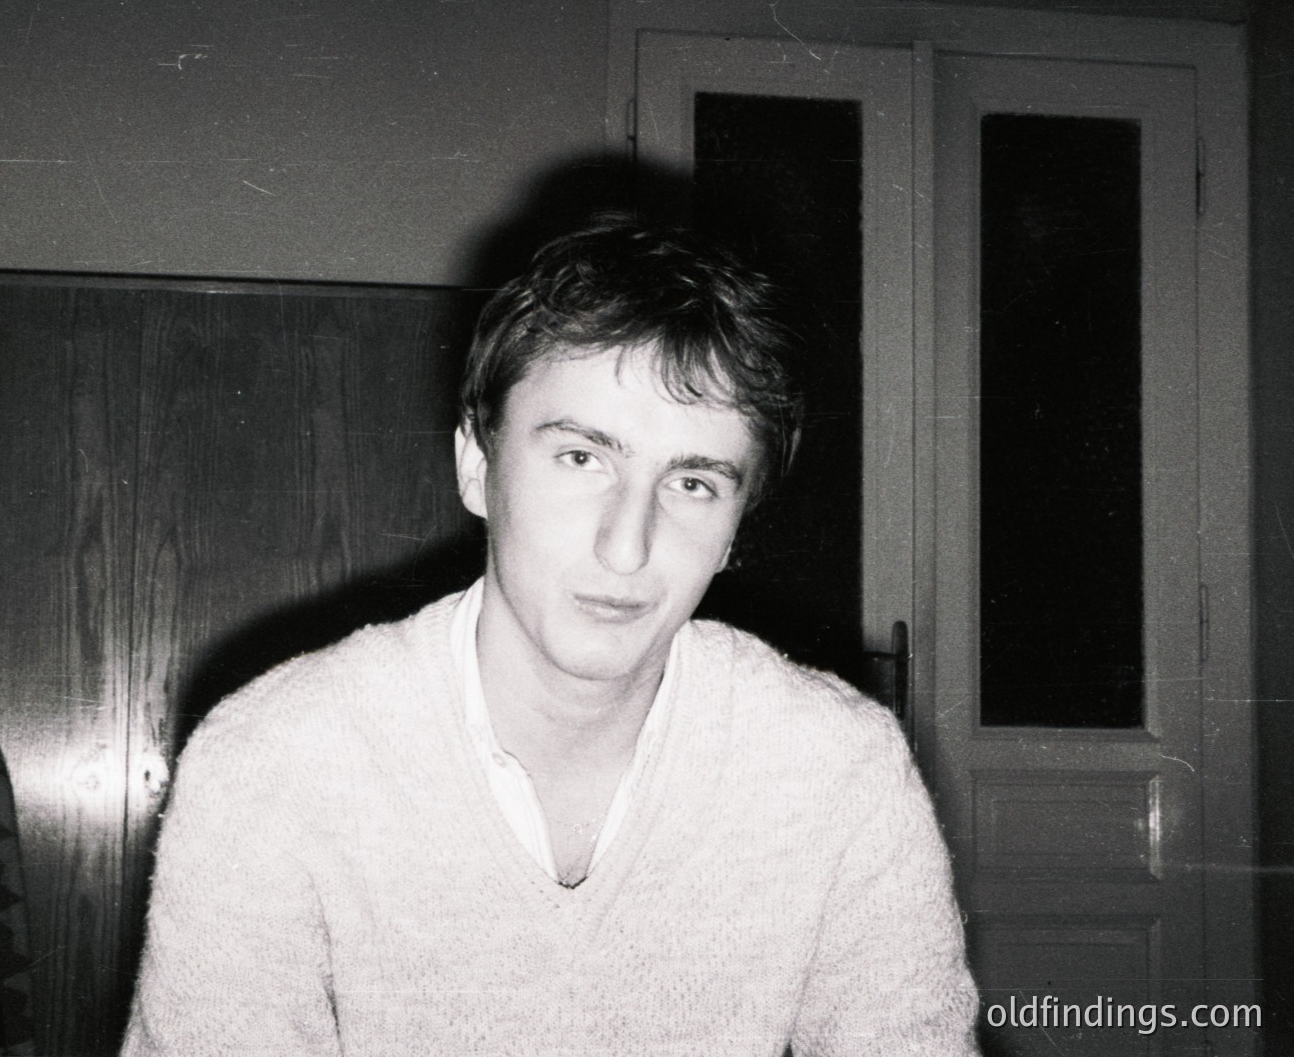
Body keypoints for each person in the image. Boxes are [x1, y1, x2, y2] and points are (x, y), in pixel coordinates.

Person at [122, 216, 980, 1056]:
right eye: (582, 458)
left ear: (736, 529)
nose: (626, 544)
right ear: (476, 465)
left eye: (691, 482)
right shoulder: (271, 760)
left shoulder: (839, 768)